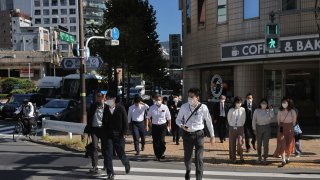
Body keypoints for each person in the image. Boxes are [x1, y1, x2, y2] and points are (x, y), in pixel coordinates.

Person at [176, 88, 215, 180]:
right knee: (187, 157)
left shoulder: (203, 107)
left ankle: (199, 178)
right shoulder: (184, 107)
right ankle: (188, 170)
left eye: (192, 96)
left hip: (199, 134)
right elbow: (177, 119)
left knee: (199, 158)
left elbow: (209, 122)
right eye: (189, 96)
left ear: (197, 97)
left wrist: (212, 136)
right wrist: (182, 126)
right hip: (187, 134)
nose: (189, 98)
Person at [102, 92, 130, 180]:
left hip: (119, 134)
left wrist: (125, 132)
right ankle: (110, 173)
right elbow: (104, 121)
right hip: (108, 135)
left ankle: (126, 163)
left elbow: (125, 121)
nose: (108, 100)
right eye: (107, 98)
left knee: (120, 152)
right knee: (108, 154)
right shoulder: (106, 109)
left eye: (109, 98)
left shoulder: (121, 108)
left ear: (114, 99)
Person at [146, 94, 171, 161]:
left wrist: (169, 125)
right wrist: (147, 126)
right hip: (155, 126)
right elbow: (148, 117)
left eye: (159, 100)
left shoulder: (165, 107)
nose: (158, 101)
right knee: (155, 141)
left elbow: (169, 117)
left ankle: (162, 152)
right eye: (156, 100)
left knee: (162, 141)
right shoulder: (152, 107)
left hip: (163, 126)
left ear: (162, 100)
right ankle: (157, 155)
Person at [86, 93, 106, 173]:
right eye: (98, 98)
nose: (99, 99)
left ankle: (106, 164)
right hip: (94, 129)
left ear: (104, 99)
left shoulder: (107, 107)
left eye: (101, 98)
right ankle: (95, 166)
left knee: (105, 148)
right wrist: (88, 129)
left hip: (103, 130)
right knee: (94, 147)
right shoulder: (93, 106)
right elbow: (89, 116)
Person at [252, 99, 274, 165]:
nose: (264, 104)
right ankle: (259, 156)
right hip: (258, 127)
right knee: (259, 143)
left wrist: (271, 109)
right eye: (262, 103)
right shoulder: (256, 110)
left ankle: (265, 158)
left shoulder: (268, 110)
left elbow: (272, 116)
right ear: (260, 104)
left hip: (267, 127)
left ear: (267, 104)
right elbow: (254, 120)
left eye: (265, 103)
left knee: (266, 143)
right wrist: (254, 129)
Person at [275, 97, 297, 167]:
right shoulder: (279, 111)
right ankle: (283, 159)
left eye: (285, 102)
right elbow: (278, 120)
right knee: (282, 143)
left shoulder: (292, 111)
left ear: (288, 103)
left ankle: (288, 157)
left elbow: (294, 121)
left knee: (289, 143)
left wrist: (291, 126)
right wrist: (281, 126)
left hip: (290, 128)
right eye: (283, 102)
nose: (284, 104)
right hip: (281, 127)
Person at [228, 96, 246, 164]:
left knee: (240, 143)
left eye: (240, 102)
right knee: (232, 144)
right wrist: (232, 125)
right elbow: (229, 119)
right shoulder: (231, 110)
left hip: (240, 128)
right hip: (232, 128)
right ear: (235, 102)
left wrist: (240, 125)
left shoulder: (243, 110)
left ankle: (241, 156)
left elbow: (244, 119)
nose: (239, 103)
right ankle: (233, 158)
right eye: (237, 102)